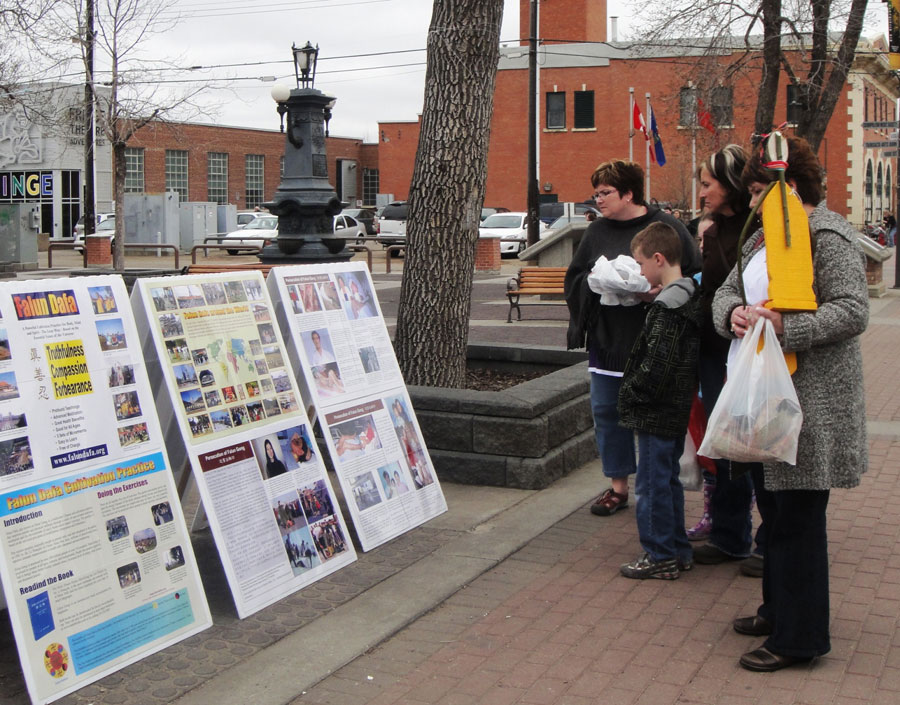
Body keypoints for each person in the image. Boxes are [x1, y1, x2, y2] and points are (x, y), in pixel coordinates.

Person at [713, 135, 868, 671]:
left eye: (760, 191)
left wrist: (787, 327)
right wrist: (732, 314)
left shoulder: (826, 233)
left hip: (810, 404)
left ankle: (800, 639)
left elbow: (852, 310)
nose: (752, 201)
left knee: (798, 523)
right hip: (765, 398)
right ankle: (776, 611)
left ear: (791, 188)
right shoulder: (763, 237)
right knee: (776, 517)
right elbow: (726, 291)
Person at [565, 159, 701, 517]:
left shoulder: (666, 227)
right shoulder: (596, 232)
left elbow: (694, 275)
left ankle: (659, 489)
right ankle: (618, 487)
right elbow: (575, 277)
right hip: (609, 339)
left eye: (605, 192)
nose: (598, 199)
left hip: (656, 344)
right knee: (607, 412)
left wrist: (658, 292)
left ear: (628, 193)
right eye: (596, 193)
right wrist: (597, 285)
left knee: (653, 419)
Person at [692, 144, 766, 579]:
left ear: (731, 184)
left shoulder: (758, 230)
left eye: (707, 184)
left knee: (759, 445)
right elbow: (714, 293)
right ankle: (729, 534)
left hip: (753, 355)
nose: (701, 193)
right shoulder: (713, 229)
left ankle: (767, 541)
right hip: (715, 351)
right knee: (724, 447)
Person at [616, 223, 702, 579]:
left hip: (657, 408)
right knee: (668, 480)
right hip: (675, 405)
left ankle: (659, 554)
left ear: (658, 259)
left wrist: (632, 392)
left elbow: (657, 363)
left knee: (651, 483)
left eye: (640, 264)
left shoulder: (668, 305)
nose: (639, 272)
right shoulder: (690, 293)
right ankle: (677, 549)